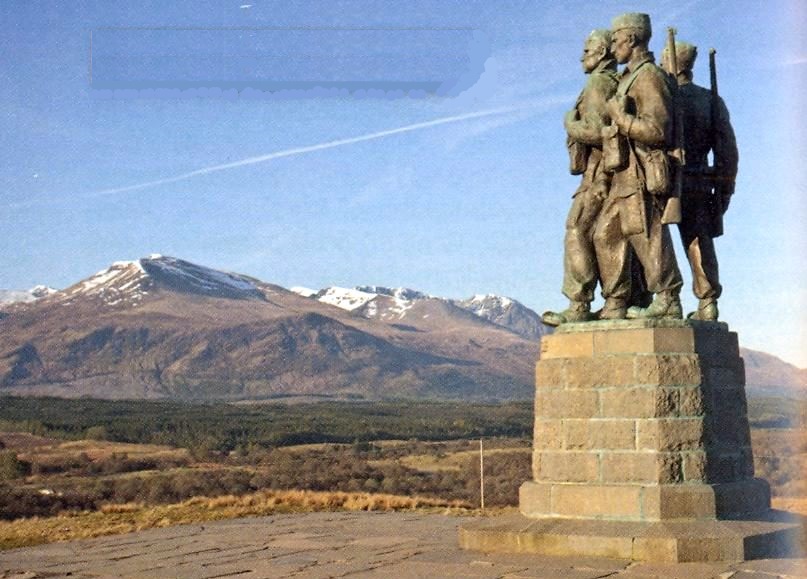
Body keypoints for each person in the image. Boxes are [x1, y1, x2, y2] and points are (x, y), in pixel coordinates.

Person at [592, 12, 683, 320]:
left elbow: (658, 131)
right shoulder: (630, 76)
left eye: (616, 40)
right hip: (622, 172)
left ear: (631, 39)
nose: (613, 46)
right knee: (605, 235)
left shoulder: (648, 77)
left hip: (642, 172)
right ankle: (616, 301)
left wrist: (621, 119)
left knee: (646, 233)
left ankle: (668, 297)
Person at [542, 29, 619, 326]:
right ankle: (615, 300)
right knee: (608, 235)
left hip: (600, 173)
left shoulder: (598, 83)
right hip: (607, 173)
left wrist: (571, 124)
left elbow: (598, 133)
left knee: (577, 229)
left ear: (601, 54)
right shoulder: (613, 81)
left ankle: (579, 303)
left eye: (587, 51)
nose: (582, 57)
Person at [662, 41, 738, 320]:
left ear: (675, 64)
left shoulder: (666, 98)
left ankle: (665, 297)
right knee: (698, 240)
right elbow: (727, 151)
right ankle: (707, 301)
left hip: (668, 179)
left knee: (655, 238)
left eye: (663, 60)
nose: (660, 65)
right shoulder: (711, 100)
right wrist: (725, 188)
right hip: (700, 179)